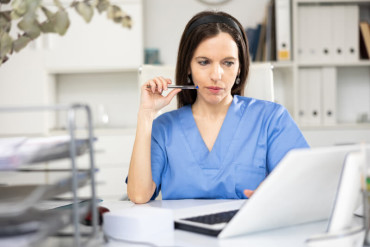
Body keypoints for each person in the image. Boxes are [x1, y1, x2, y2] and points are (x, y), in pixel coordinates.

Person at [127, 10, 309, 204]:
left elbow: (306, 182)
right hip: (182, 233)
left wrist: (274, 195)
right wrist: (146, 115)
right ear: (188, 66)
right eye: (204, 62)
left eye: (228, 63)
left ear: (240, 67)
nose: (216, 75)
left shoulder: (272, 119)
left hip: (246, 232)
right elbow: (139, 195)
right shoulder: (163, 128)